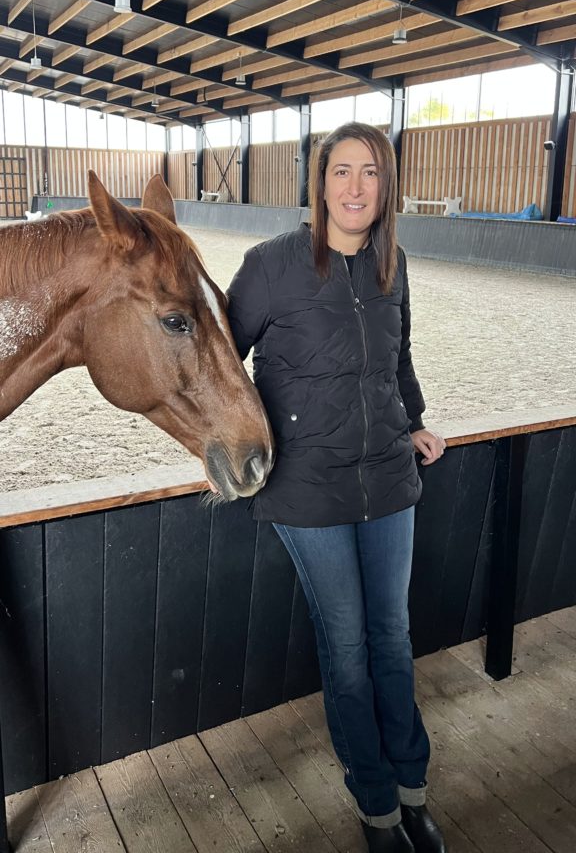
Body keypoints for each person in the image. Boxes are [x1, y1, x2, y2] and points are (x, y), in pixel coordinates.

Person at [225, 122, 447, 853]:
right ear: (319, 184)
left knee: (392, 637)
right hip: (308, 491)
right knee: (348, 646)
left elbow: (398, 358)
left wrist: (413, 421)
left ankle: (413, 790)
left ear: (387, 187)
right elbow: (217, 366)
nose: (355, 187)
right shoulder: (270, 266)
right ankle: (378, 806)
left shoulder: (395, 264)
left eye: (371, 173)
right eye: (341, 172)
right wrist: (247, 442)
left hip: (388, 478)